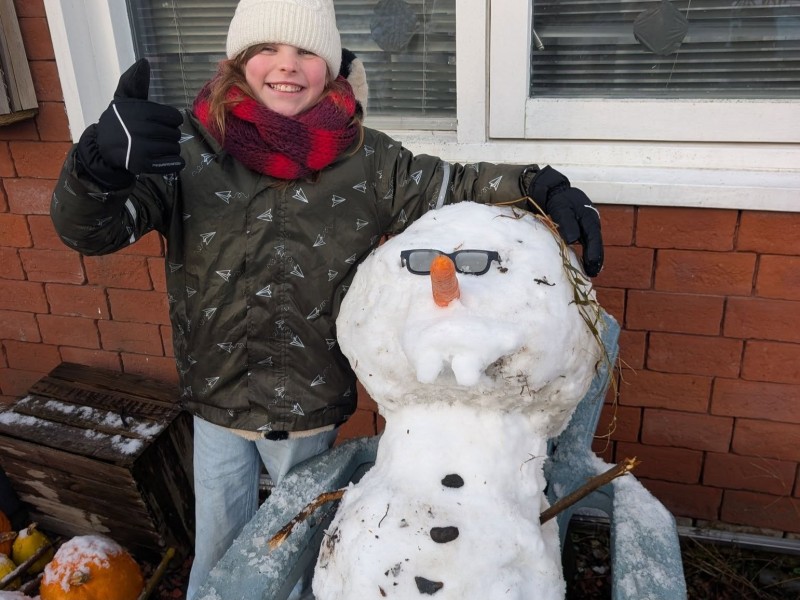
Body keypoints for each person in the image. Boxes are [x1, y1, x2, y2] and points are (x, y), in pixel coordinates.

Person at [50, 1, 603, 597]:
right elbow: (94, 230)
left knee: (302, 540)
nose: (287, 66)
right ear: (239, 60)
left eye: (307, 51)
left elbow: (453, 185)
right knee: (219, 545)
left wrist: (533, 184)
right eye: (268, 49)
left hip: (310, 400)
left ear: (332, 66)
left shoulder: (366, 158)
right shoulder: (186, 150)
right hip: (215, 397)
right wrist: (97, 166)